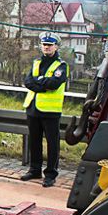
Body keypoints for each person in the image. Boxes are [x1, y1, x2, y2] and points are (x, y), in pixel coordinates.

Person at [21, 32, 68, 187]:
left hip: (50, 111)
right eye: (44, 44)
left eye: (50, 44)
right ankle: (34, 169)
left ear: (56, 46)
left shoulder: (61, 65)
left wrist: (39, 82)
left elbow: (54, 83)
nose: (46, 47)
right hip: (33, 108)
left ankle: (50, 174)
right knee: (34, 141)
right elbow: (28, 81)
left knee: (52, 144)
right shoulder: (36, 63)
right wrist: (42, 83)